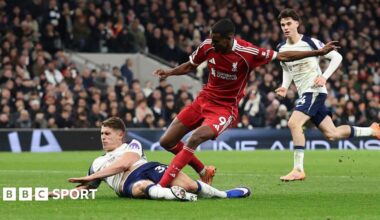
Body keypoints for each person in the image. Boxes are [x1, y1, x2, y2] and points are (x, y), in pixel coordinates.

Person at [153, 18, 339, 188]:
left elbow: (282, 56)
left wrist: (317, 52)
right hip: (202, 100)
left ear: (229, 38)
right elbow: (190, 65)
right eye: (212, 39)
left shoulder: (248, 52)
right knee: (167, 141)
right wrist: (169, 72)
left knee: (195, 138)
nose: (213, 43)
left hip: (224, 109)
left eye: (217, 40)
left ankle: (162, 185)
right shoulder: (208, 45)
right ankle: (204, 172)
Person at [274, 8, 380, 181]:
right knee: (332, 134)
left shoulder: (310, 42)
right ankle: (372, 130)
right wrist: (285, 86)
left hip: (314, 91)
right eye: (282, 24)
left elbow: (337, 57)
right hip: (305, 94)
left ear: (297, 24)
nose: (285, 27)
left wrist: (324, 76)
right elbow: (286, 68)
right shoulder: (281, 47)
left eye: (288, 23)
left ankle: (298, 169)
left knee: (293, 123)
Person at [49, 117, 251, 201]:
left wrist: (93, 176)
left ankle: (224, 195)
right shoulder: (96, 163)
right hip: (128, 184)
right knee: (141, 187)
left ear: (121, 135)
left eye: (107, 133)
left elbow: (125, 164)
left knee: (190, 184)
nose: (103, 137)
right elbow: (86, 190)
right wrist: (59, 194)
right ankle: (176, 196)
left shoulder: (132, 146)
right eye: (101, 134)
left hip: (147, 168)